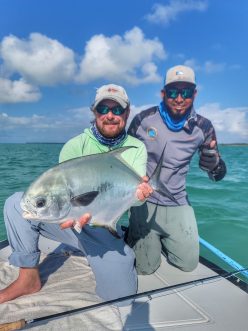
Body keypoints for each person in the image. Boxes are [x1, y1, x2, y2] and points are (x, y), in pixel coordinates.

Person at [0, 84, 153, 304]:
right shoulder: (74, 146)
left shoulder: (136, 148)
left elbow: (134, 202)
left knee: (121, 296)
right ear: (94, 112)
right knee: (16, 203)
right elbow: (65, 199)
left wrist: (141, 195)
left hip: (103, 226)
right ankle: (28, 278)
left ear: (127, 113)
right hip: (70, 224)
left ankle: (99, 254)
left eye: (117, 110)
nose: (110, 115)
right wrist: (72, 217)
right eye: (103, 109)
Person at [126, 65, 226, 275]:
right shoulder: (142, 120)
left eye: (186, 92)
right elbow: (124, 160)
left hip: (177, 200)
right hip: (144, 200)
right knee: (145, 269)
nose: (179, 98)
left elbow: (217, 175)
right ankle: (138, 233)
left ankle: (159, 239)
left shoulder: (204, 127)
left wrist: (214, 165)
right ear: (163, 93)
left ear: (194, 94)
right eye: (172, 92)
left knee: (188, 264)